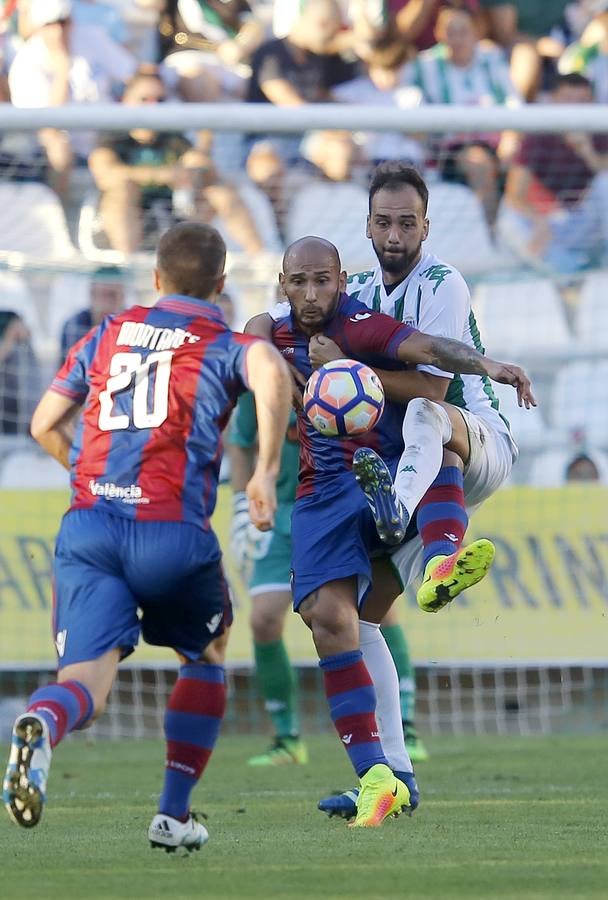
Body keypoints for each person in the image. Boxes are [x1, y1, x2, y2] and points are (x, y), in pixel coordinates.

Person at [1, 222, 292, 851]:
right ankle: (173, 814)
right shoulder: (219, 340)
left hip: (90, 528)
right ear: (220, 285)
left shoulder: (107, 332)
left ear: (155, 279)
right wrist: (266, 470)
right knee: (207, 653)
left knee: (85, 683)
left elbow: (44, 422)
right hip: (170, 532)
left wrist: (93, 481)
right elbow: (268, 365)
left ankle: (43, 723)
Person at [248, 234, 532, 828]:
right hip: (319, 494)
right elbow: (241, 350)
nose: (310, 293)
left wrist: (485, 363)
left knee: (433, 443)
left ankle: (438, 557)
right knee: (332, 618)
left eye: (322, 280)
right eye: (298, 282)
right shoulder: (268, 334)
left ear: (341, 282)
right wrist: (262, 365)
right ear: (283, 284)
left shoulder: (361, 324)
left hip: (377, 472)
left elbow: (429, 349)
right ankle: (385, 777)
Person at [89, 66, 265, 256]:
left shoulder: (171, 136)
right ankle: (128, 265)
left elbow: (198, 166)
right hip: (124, 216)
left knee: (220, 192)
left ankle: (258, 260)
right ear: (126, 100)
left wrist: (202, 155)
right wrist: (164, 175)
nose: (153, 106)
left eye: (159, 100)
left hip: (171, 214)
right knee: (122, 191)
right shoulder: (113, 135)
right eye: (144, 99)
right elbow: (105, 173)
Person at [228, 392, 308, 766]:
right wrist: (241, 507)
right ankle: (287, 738)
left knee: (372, 614)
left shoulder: (338, 356)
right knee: (263, 620)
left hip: (329, 502)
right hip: (274, 514)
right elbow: (241, 442)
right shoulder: (258, 375)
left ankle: (403, 729)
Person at [499, 73, 608, 273]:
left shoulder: (600, 130)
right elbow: (515, 194)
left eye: (582, 101)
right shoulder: (538, 134)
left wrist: (587, 151)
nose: (574, 108)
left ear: (592, 102)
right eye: (568, 99)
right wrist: (539, 219)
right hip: (543, 221)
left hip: (581, 221)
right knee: (509, 221)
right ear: (554, 100)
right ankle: (567, 274)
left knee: (605, 182)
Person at [59, 266, 126, 364]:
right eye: (100, 295)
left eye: (112, 296)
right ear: (91, 294)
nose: (104, 304)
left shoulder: (137, 325)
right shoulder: (74, 325)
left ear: (122, 297)